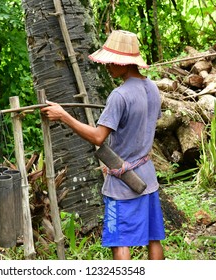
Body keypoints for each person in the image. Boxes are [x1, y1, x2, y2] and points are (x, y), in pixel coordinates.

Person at [41, 30, 165, 260]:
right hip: (147, 178)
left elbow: (98, 137)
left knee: (119, 242)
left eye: (112, 61)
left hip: (123, 184)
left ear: (125, 64)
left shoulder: (119, 96)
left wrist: (63, 115)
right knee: (153, 237)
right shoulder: (153, 89)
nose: (107, 65)